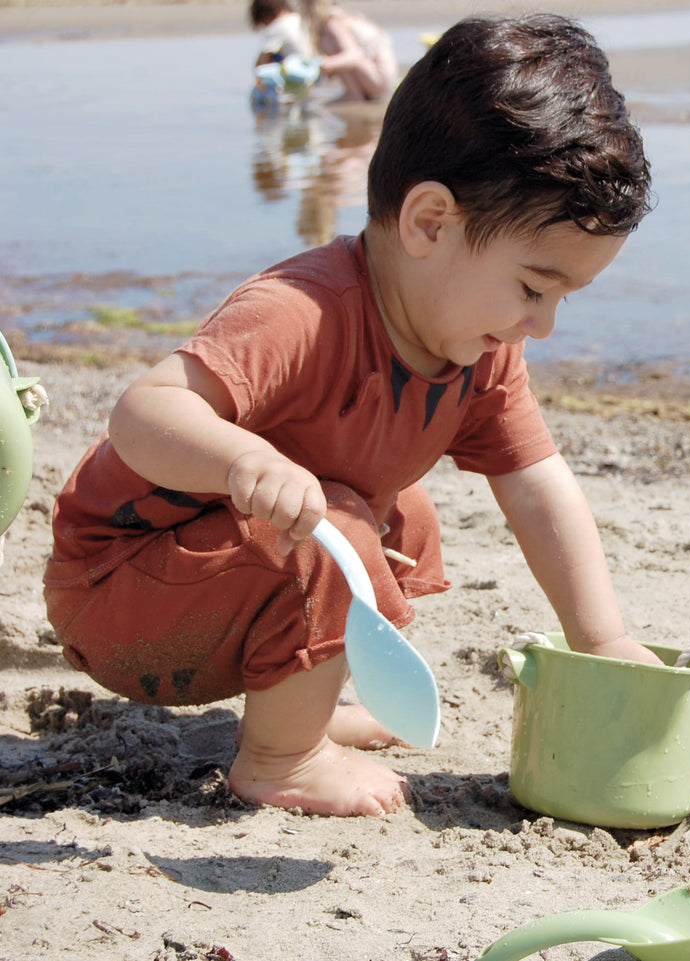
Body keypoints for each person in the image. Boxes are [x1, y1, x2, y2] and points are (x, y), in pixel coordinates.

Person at [43, 15, 656, 818]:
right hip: (119, 586)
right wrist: (241, 461)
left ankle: (305, 694)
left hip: (225, 568)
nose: (541, 324)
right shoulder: (300, 312)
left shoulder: (478, 352)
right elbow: (141, 413)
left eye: (563, 299)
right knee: (340, 531)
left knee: (402, 516)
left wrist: (600, 638)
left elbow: (537, 484)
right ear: (429, 222)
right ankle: (280, 755)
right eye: (533, 288)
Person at [300, 0, 398, 102]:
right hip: (382, 79)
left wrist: (323, 64)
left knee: (329, 43)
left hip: (378, 79)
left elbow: (354, 56)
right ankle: (357, 93)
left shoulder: (332, 21)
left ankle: (354, 93)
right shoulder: (344, 16)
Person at [249, 0, 314, 65]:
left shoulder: (277, 27)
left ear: (264, 17)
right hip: (315, 67)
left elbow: (261, 65)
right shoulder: (299, 19)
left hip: (302, 71)